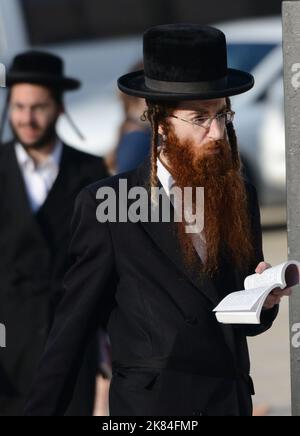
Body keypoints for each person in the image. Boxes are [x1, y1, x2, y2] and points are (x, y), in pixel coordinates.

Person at [24, 25, 290, 417]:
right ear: (161, 122)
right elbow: (72, 330)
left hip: (228, 403)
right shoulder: (107, 203)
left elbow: (239, 321)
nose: (216, 132)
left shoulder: (239, 193)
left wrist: (263, 303)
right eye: (199, 118)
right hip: (154, 409)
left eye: (222, 114)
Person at [0, 51, 108, 415]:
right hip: (6, 356)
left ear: (60, 108)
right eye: (18, 107)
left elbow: (106, 267)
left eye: (38, 107)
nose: (26, 118)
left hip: (71, 353)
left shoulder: (92, 174)